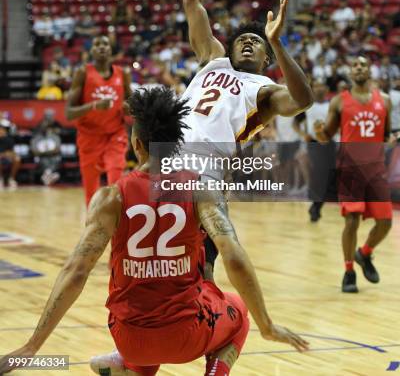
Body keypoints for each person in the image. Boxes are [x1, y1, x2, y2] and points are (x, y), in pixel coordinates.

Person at [0, 87, 309, 376]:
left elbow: (76, 271)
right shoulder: (199, 189)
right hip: (186, 335)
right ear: (177, 145)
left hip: (128, 337)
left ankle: (131, 365)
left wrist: (32, 347)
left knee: (142, 326)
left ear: (136, 146)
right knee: (239, 312)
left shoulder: (110, 197)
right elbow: (235, 258)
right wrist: (266, 325)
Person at [182, 0, 313, 275]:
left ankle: (207, 323)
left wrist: (279, 43)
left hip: (207, 168)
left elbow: (303, 99)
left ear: (266, 58)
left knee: (201, 266)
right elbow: (193, 3)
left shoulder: (265, 91)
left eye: (257, 43)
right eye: (244, 38)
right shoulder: (213, 57)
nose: (249, 41)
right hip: (165, 159)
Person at [314, 56, 393, 293]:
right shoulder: (339, 101)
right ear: (350, 72)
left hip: (376, 169)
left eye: (363, 65)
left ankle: (364, 253)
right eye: (355, 65)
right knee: (351, 221)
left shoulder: (385, 101)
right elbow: (325, 136)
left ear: (370, 71)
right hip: (350, 170)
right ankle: (349, 271)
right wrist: (319, 131)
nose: (359, 68)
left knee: (386, 222)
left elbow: (386, 134)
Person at [66, 35, 132, 205]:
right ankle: (95, 227)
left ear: (111, 50)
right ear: (91, 50)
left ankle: (116, 225)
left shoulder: (122, 73)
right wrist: (94, 105)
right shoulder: (82, 73)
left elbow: (133, 106)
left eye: (105, 44)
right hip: (89, 136)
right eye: (97, 44)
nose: (101, 47)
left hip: (115, 134)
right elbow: (69, 113)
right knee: (91, 192)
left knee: (115, 179)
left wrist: (128, 108)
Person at [293, 80, 337, 222]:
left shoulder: (332, 105)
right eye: (316, 86)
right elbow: (295, 123)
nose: (319, 88)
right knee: (319, 174)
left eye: (321, 85)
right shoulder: (308, 105)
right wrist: (302, 134)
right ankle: (315, 206)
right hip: (314, 143)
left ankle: (316, 205)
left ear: (327, 88)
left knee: (329, 175)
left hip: (330, 142)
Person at [0, 120, 20, 189]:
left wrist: (8, 154)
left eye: (2, 130)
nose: (1, 131)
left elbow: (12, 152)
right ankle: (0, 179)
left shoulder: (9, 139)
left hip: (7, 157)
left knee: (17, 159)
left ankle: (11, 179)